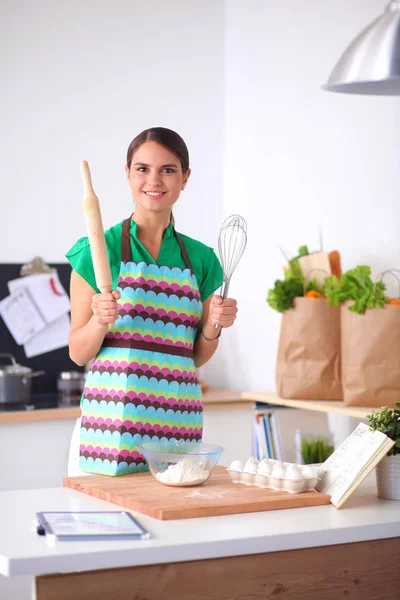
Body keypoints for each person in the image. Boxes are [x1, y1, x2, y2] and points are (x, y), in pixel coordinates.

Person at [66, 127, 238, 477]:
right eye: (142, 168)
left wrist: (214, 325)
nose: (154, 180)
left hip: (176, 431)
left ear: (185, 178)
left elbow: (196, 356)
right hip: (109, 433)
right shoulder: (100, 250)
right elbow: (78, 353)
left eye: (168, 169)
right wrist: (100, 321)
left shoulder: (201, 259)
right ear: (128, 174)